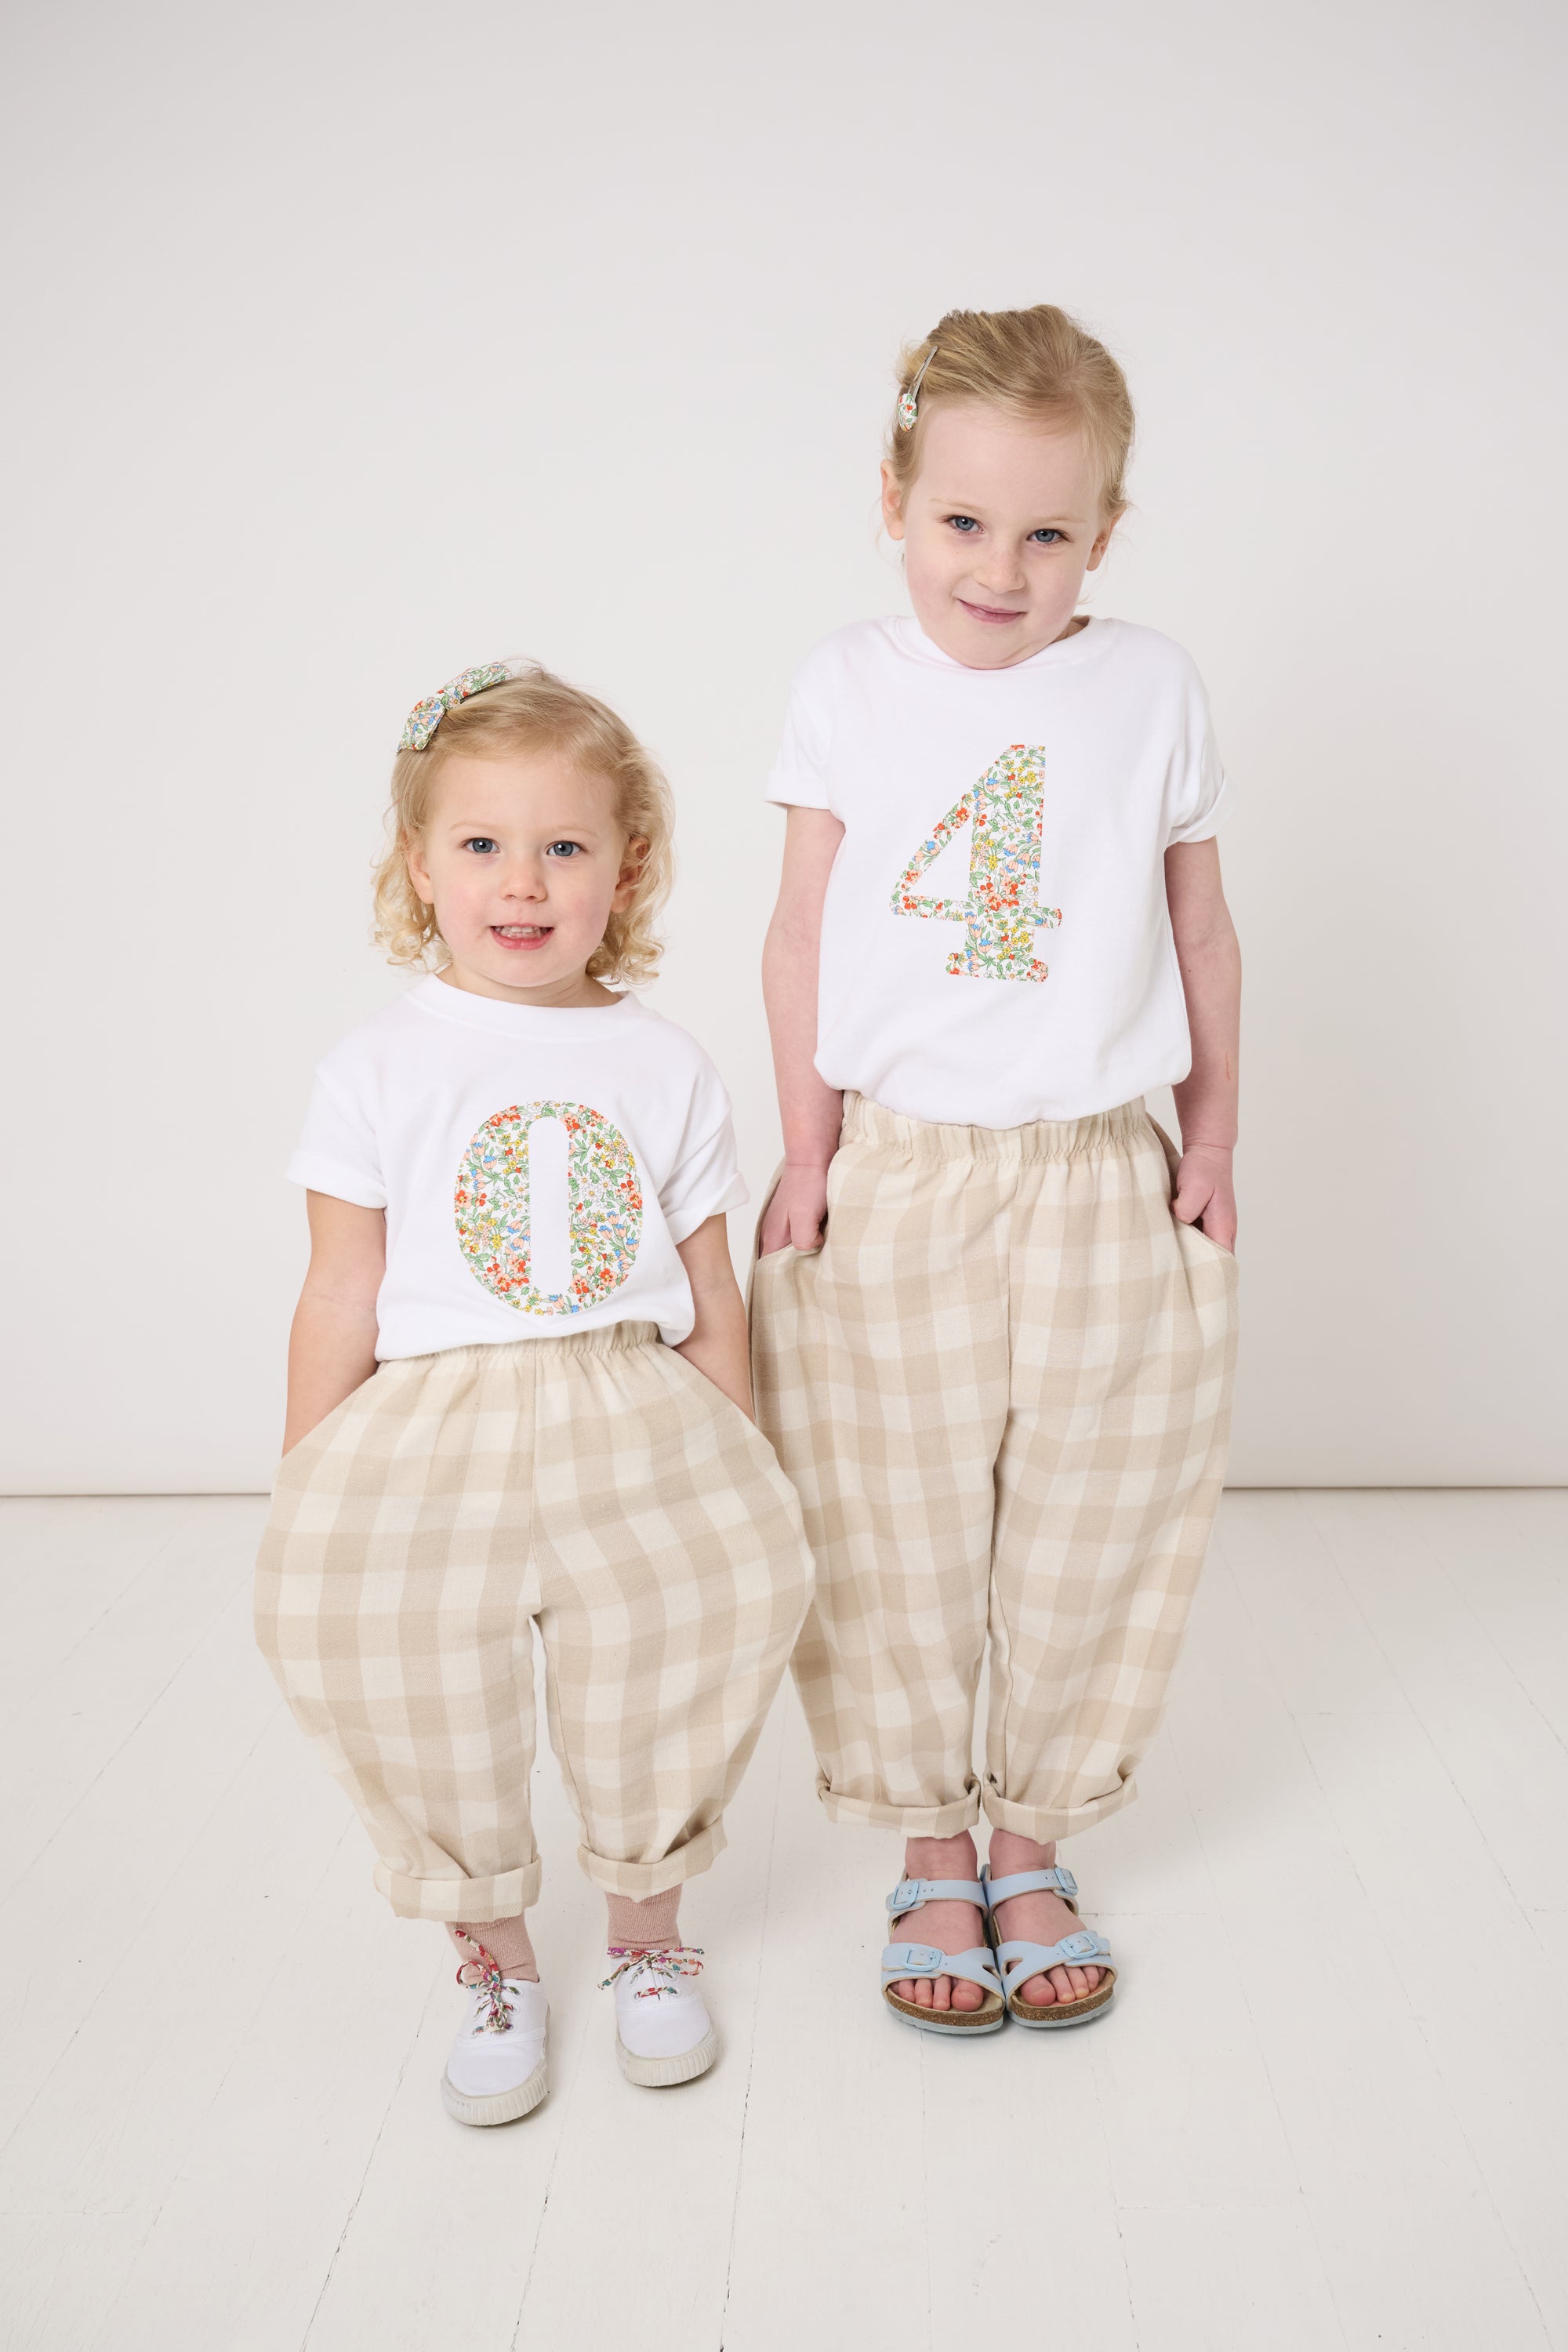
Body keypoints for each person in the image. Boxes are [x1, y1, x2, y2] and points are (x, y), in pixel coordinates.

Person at [752, 304, 1240, 2035]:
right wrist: (805, 1149)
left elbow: (1198, 928)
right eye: (964, 521)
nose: (1002, 565)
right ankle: (920, 1845)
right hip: (898, 1170)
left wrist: (1212, 1137)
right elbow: (801, 930)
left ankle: (1028, 1836)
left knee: (1090, 1512)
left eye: (1049, 531)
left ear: (1102, 533)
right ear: (893, 500)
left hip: (1100, 1165)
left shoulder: (1149, 684)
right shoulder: (845, 686)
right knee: (887, 1512)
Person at [256, 662, 813, 2121]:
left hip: (629, 1408)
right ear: (419, 867)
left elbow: (708, 1286)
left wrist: (733, 1447)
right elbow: (340, 1287)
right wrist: (311, 1472)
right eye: (483, 845)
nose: (524, 882)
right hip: (434, 1418)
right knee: (424, 1684)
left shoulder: (663, 1062)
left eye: (565, 846)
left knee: (662, 1664)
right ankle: (493, 1958)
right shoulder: (377, 1066)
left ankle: (646, 1938)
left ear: (626, 871)